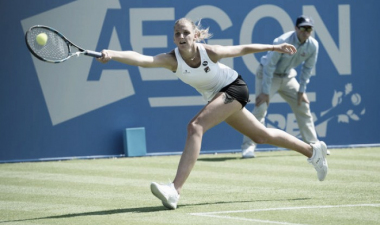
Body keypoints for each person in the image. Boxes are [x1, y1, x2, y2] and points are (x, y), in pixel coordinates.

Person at [96, 18, 328, 210]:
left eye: (186, 32)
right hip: (218, 97)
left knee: (195, 126)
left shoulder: (211, 52)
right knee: (261, 136)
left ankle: (174, 190)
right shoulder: (171, 60)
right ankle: (313, 151)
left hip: (235, 89)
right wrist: (111, 54)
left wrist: (274, 47)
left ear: (195, 35)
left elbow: (242, 49)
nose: (181, 37)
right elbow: (143, 60)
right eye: (177, 34)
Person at [241, 15, 329, 158]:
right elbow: (269, 67)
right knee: (261, 108)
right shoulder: (283, 41)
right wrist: (265, 92)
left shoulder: (313, 45)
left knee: (303, 105)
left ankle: (314, 146)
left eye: (309, 29)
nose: (305, 31)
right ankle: (248, 147)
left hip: (288, 77)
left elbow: (308, 68)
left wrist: (301, 90)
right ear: (296, 28)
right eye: (302, 28)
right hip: (267, 74)